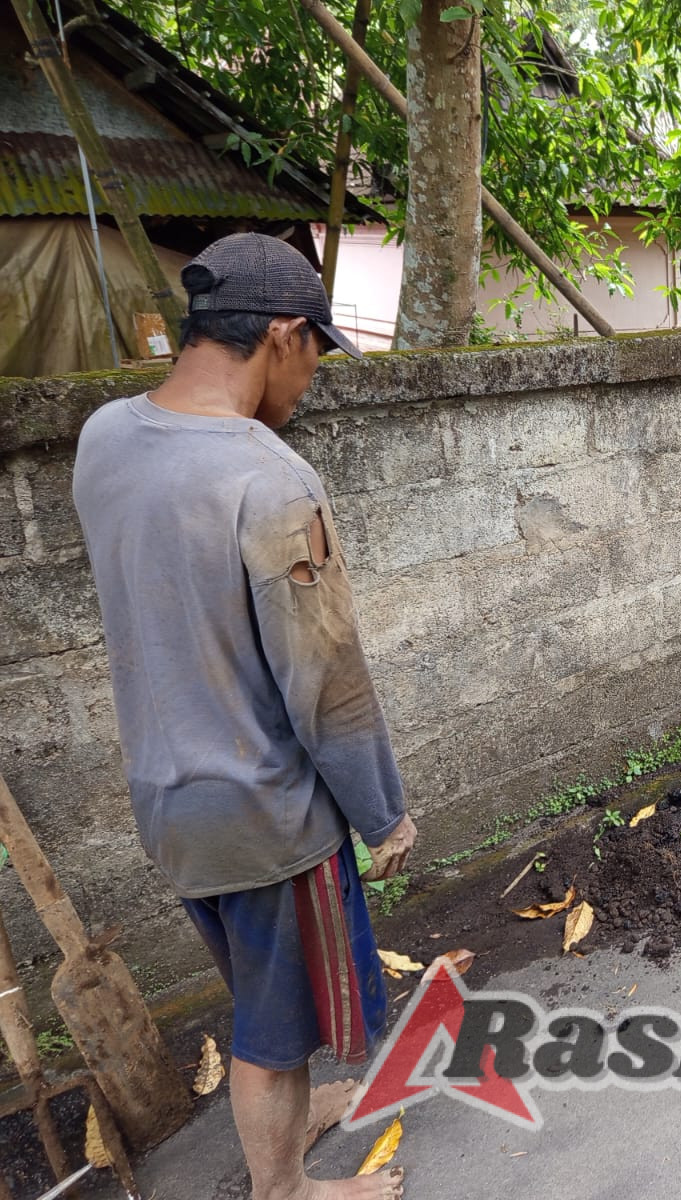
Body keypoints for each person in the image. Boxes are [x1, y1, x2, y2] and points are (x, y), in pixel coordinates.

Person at [73, 233, 411, 1198]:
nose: (311, 376)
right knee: (274, 1032)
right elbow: (327, 680)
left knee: (264, 989)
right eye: (316, 354)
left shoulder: (106, 438)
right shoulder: (271, 482)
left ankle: (293, 1121)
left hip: (167, 800)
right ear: (284, 334)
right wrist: (384, 814)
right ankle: (286, 1188)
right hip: (266, 817)